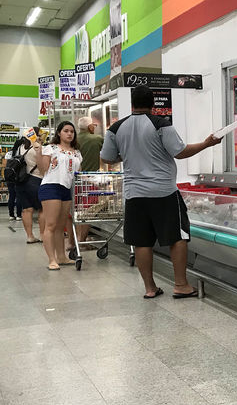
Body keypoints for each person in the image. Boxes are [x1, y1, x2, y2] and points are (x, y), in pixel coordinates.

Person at [100, 85, 221, 298]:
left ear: (132, 103)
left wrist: (125, 156)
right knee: (177, 237)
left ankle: (149, 288)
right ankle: (181, 285)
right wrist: (207, 143)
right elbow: (180, 152)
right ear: (153, 104)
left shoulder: (116, 128)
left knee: (141, 241)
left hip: (134, 194)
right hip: (163, 192)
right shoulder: (160, 124)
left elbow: (108, 158)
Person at [36, 121, 82, 270]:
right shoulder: (51, 148)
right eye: (66, 131)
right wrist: (38, 152)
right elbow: (43, 170)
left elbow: (78, 173)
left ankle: (61, 257)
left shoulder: (77, 152)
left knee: (60, 226)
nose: (69, 134)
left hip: (66, 189)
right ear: (59, 133)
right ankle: (52, 259)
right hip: (51, 186)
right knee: (51, 225)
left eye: (72, 131)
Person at [75, 116, 104, 244]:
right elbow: (109, 153)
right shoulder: (97, 139)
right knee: (88, 211)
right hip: (91, 180)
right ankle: (82, 241)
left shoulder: (73, 140)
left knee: (76, 211)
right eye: (94, 125)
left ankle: (75, 240)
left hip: (75, 179)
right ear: (90, 126)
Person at [16, 128, 45, 244]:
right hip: (36, 180)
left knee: (26, 210)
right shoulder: (37, 148)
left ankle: (30, 236)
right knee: (42, 209)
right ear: (35, 135)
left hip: (21, 181)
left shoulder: (20, 147)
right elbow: (42, 166)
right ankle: (42, 235)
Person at [4, 137, 25, 220]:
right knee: (19, 196)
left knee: (11, 196)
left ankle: (11, 215)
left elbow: (4, 165)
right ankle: (19, 215)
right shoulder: (21, 153)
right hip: (18, 177)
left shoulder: (9, 153)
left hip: (9, 177)